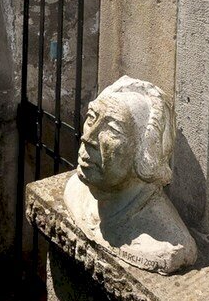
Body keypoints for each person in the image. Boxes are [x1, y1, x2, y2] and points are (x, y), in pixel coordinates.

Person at [64, 76, 197, 274]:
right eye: (92, 118)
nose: (88, 138)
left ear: (145, 154)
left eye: (112, 130)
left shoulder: (167, 243)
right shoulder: (76, 190)